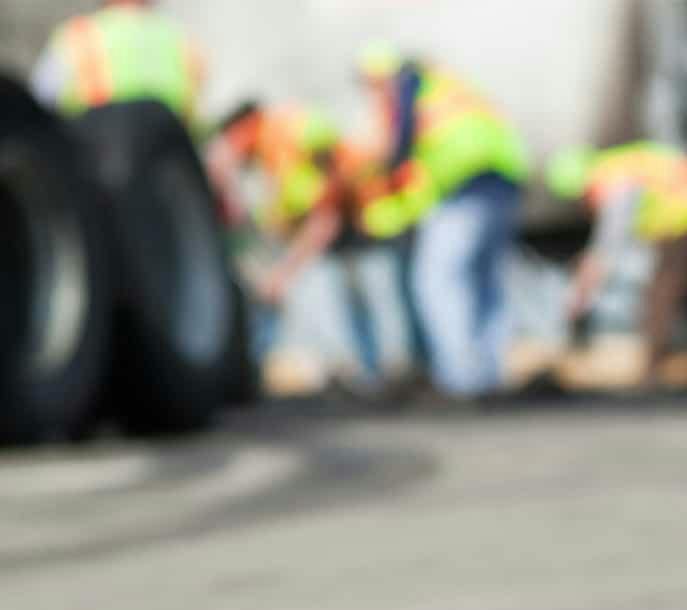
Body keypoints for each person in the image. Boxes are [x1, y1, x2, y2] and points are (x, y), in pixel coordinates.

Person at [357, 43, 530, 400]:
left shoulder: (408, 88)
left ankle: (460, 379)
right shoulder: (450, 85)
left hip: (461, 185)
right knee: (486, 281)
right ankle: (488, 374)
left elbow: (398, 153)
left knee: (438, 280)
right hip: (504, 179)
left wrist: (380, 200)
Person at [206, 102, 397, 386]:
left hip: (364, 217)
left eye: (232, 137)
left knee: (356, 295)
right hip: (335, 225)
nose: (234, 148)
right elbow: (288, 212)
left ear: (246, 126)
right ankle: (366, 374)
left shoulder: (294, 133)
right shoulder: (272, 154)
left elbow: (327, 212)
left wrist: (284, 272)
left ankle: (371, 374)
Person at [547, 142, 687, 385]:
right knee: (681, 291)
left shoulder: (613, 182)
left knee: (661, 290)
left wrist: (581, 293)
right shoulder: (615, 167)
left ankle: (652, 367)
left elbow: (610, 243)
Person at [31, 0, 204, 124]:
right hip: (168, 166)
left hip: (91, 165)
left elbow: (36, 108)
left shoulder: (78, 36)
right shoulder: (183, 43)